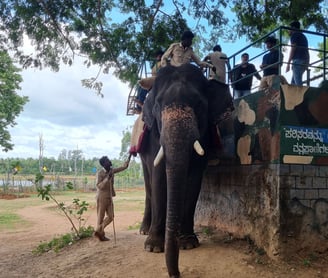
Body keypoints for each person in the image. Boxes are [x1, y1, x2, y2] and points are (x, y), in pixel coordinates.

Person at [94, 155, 129, 241]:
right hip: (101, 197)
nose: (110, 162)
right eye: (108, 161)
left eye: (109, 160)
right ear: (104, 164)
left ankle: (98, 230)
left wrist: (128, 159)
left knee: (111, 216)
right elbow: (99, 186)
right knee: (100, 217)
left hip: (109, 197)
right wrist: (107, 179)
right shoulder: (100, 173)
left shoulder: (112, 171)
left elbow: (123, 167)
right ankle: (101, 236)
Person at [286, 20, 309, 86]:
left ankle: (302, 95)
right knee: (293, 82)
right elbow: (307, 50)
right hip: (304, 60)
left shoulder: (294, 35)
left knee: (297, 82)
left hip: (298, 60)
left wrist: (288, 63)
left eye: (289, 29)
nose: (288, 31)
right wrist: (308, 61)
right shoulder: (303, 36)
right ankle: (293, 95)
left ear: (293, 28)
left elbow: (293, 48)